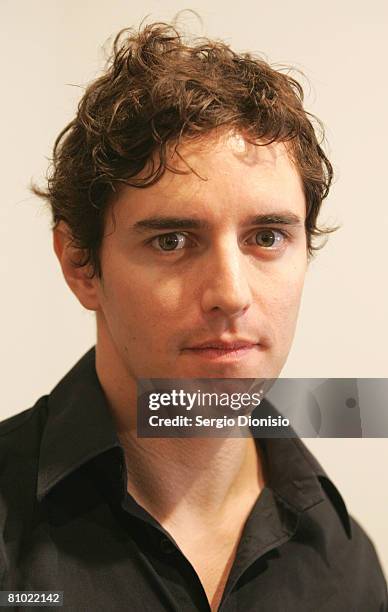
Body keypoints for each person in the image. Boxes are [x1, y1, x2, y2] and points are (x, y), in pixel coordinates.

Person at [0, 21, 386, 612]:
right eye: (173, 241)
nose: (230, 294)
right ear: (81, 265)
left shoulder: (344, 560)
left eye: (266, 236)